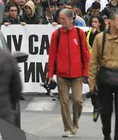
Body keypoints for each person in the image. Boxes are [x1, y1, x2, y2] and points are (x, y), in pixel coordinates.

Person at [89, 11, 118, 140]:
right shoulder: (100, 38)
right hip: (105, 78)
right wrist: (92, 83)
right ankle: (107, 134)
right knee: (106, 111)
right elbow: (93, 61)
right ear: (111, 22)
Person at [47, 8, 90, 138]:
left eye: (63, 19)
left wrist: (86, 72)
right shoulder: (56, 35)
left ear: (71, 20)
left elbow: (86, 54)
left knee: (78, 101)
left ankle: (75, 124)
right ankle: (68, 128)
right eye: (60, 19)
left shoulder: (79, 33)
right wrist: (50, 74)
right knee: (64, 102)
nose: (61, 21)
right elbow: (52, 55)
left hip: (77, 75)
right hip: (61, 75)